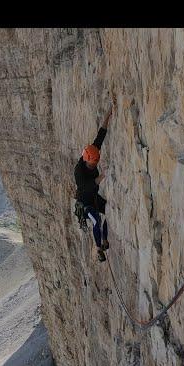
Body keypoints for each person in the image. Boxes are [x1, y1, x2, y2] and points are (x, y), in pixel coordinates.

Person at [74, 103, 113, 262]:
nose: (93, 166)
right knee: (96, 219)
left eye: (95, 164)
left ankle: (104, 240)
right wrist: (103, 175)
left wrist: (109, 113)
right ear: (86, 160)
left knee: (110, 212)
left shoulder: (92, 152)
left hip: (94, 198)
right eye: (92, 165)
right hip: (85, 204)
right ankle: (98, 249)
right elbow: (86, 186)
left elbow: (100, 135)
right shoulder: (79, 171)